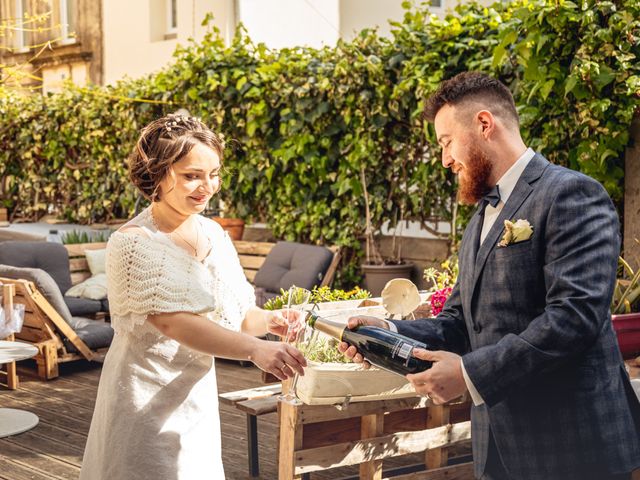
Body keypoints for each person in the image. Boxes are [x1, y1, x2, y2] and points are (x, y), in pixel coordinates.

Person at [340, 72, 640, 480]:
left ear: (484, 124)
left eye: (446, 142)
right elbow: (461, 321)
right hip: (495, 448)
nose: (445, 159)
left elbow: (574, 318)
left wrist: (467, 373)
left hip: (574, 446)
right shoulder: (480, 219)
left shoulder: (572, 193)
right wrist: (389, 331)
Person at [80, 114, 306, 479]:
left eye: (214, 173)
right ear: (157, 172)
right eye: (191, 176)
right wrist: (254, 350)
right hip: (142, 398)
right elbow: (173, 321)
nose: (207, 186)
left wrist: (271, 322)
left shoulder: (214, 234)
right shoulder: (133, 242)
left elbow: (240, 315)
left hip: (196, 396)